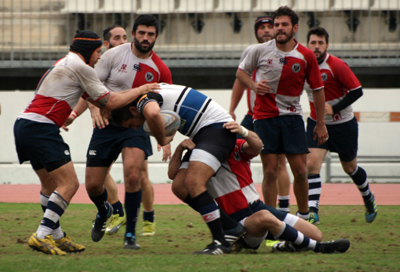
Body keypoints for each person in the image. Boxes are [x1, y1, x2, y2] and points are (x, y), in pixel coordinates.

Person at [13, 30, 159, 255]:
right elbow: (110, 101)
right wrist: (141, 90)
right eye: (98, 52)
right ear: (88, 51)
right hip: (41, 128)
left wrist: (68, 116)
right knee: (69, 184)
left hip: (25, 124)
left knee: (49, 185)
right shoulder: (81, 67)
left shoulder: (65, 62)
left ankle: (57, 236)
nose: (100, 56)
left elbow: (87, 98)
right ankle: (42, 234)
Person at [168, 121, 350, 254]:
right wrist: (178, 150)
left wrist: (243, 131)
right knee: (266, 218)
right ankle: (318, 248)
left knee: (315, 233)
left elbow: (257, 146)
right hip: (237, 220)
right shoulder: (196, 154)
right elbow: (173, 177)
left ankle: (285, 245)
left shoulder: (233, 146)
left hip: (257, 207)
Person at [112, 83, 246, 255]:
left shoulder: (143, 101)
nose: (136, 127)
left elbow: (153, 113)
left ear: (132, 111)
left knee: (194, 182)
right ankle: (231, 227)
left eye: (132, 124)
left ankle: (220, 242)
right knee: (180, 186)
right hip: (203, 133)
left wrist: (162, 139)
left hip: (217, 128)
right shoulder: (145, 95)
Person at [82, 15, 172, 250]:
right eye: (141, 32)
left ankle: (130, 235)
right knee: (92, 186)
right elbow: (91, 85)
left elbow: (169, 108)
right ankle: (105, 210)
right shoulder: (113, 55)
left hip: (136, 127)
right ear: (133, 33)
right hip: (107, 125)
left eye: (150, 34)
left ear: (156, 37)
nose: (145, 38)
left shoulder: (161, 69)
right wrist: (95, 109)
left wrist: (166, 138)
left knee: (134, 176)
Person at [236, 6, 329, 221]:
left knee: (300, 171)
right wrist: (253, 84)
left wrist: (320, 123)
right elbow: (240, 73)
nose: (279, 28)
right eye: (276, 25)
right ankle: (272, 221)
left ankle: (304, 218)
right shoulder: (259, 50)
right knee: (269, 171)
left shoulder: (305, 55)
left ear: (294, 28)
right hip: (265, 118)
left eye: (283, 24)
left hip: (292, 118)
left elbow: (317, 90)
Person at [305, 26, 378, 224]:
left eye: (321, 43)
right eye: (313, 42)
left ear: (327, 45)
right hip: (315, 122)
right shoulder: (302, 66)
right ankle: (313, 212)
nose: (317, 47)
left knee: (350, 167)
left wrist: (334, 108)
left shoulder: (337, 65)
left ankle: (368, 197)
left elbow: (357, 91)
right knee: (311, 164)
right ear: (307, 45)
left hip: (343, 124)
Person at [229, 15, 291, 213]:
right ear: (256, 32)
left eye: (269, 27)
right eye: (261, 27)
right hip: (252, 115)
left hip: (273, 116)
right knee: (231, 151)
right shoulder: (252, 51)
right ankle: (240, 202)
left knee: (279, 163)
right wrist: (231, 109)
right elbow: (240, 80)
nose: (265, 30)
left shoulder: (286, 52)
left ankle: (283, 210)